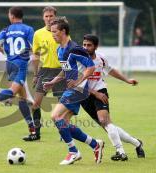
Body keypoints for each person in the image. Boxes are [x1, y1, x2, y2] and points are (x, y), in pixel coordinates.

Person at [43, 17, 104, 165]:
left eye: (55, 32)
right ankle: (95, 144)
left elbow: (91, 67)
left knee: (55, 116)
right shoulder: (59, 49)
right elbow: (65, 71)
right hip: (72, 89)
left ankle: (73, 152)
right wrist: (53, 82)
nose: (53, 35)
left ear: (63, 31)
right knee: (63, 123)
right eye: (51, 32)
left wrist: (78, 81)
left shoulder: (75, 48)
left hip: (78, 90)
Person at [81, 34, 145, 161]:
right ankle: (137, 143)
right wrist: (94, 93)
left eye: (89, 45)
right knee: (108, 126)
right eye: (84, 45)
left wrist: (127, 80)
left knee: (105, 121)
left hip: (101, 91)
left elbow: (110, 70)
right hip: (85, 95)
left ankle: (120, 152)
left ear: (96, 46)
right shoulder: (79, 59)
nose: (86, 47)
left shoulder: (101, 58)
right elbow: (76, 82)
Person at [0, 7, 37, 141]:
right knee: (13, 92)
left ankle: (32, 131)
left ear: (12, 16)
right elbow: (34, 47)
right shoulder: (28, 29)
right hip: (21, 64)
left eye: (9, 15)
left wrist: (4, 51)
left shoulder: (6, 30)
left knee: (22, 98)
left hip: (10, 64)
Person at [24, 6, 67, 141]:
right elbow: (36, 55)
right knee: (35, 104)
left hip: (60, 72)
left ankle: (63, 133)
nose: (49, 19)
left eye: (51, 16)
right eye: (46, 16)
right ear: (43, 17)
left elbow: (68, 53)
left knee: (62, 105)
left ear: (55, 17)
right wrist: (36, 74)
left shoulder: (62, 32)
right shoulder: (38, 34)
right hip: (45, 71)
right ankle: (36, 133)